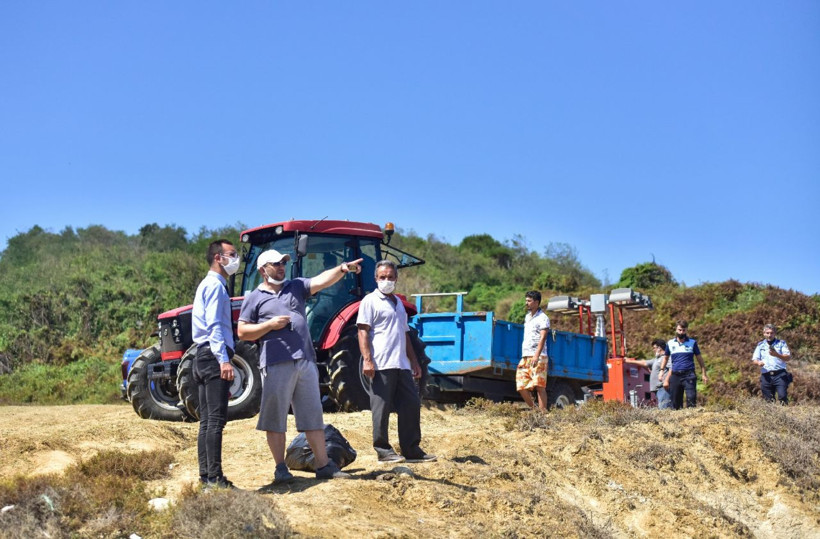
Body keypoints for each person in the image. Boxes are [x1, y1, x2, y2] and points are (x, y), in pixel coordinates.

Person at [237, 249, 363, 483]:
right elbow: (242, 331)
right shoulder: (254, 298)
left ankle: (324, 466)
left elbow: (321, 280)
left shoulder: (295, 286)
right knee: (275, 419)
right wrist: (270, 325)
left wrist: (342, 268)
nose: (282, 267)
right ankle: (281, 469)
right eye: (276, 264)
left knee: (313, 416)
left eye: (284, 263)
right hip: (275, 363)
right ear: (263, 269)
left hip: (305, 361)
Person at [357, 260, 436, 464]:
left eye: (390, 277)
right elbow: (363, 331)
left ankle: (411, 449)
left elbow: (405, 334)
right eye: (382, 277)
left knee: (411, 404)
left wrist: (414, 361)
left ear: (396, 278)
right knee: (381, 408)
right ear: (376, 279)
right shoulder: (369, 301)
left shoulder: (399, 303)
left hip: (401, 364)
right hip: (381, 362)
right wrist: (367, 360)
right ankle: (382, 449)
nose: (387, 281)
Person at [191, 239, 239, 489]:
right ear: (218, 258)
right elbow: (215, 326)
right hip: (212, 355)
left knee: (207, 421)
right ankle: (215, 479)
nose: (236, 259)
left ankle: (206, 477)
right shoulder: (216, 287)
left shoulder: (207, 284)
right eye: (232, 254)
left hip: (201, 355)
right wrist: (224, 360)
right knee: (215, 421)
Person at [660, 320, 708, 409]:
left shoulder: (692, 343)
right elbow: (665, 358)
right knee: (675, 401)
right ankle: (677, 419)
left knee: (691, 398)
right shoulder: (670, 343)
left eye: (684, 330)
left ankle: (691, 418)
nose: (681, 332)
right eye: (680, 330)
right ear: (676, 330)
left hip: (689, 374)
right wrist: (661, 370)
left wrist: (704, 373)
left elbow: (700, 359)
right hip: (675, 375)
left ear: (687, 330)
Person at [516, 291, 550, 410]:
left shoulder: (543, 318)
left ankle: (543, 414)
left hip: (539, 356)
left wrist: (536, 355)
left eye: (529, 301)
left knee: (539, 386)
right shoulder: (527, 317)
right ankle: (535, 410)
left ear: (536, 302)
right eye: (526, 300)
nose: (527, 303)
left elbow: (543, 337)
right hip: (526, 355)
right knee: (521, 385)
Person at [752, 324, 792, 404]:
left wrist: (776, 354)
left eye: (771, 333)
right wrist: (758, 362)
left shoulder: (781, 343)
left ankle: (783, 414)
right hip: (766, 375)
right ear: (764, 333)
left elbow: (787, 357)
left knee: (782, 396)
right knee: (768, 400)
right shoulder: (760, 345)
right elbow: (754, 359)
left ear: (775, 333)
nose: (769, 335)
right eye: (767, 333)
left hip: (780, 374)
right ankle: (772, 415)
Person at [626, 339, 671, 409]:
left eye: (654, 348)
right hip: (658, 389)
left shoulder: (666, 358)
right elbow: (645, 363)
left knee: (664, 408)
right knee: (662, 407)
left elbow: (672, 368)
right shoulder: (657, 359)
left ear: (659, 348)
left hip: (662, 388)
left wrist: (666, 381)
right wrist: (629, 361)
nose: (653, 350)